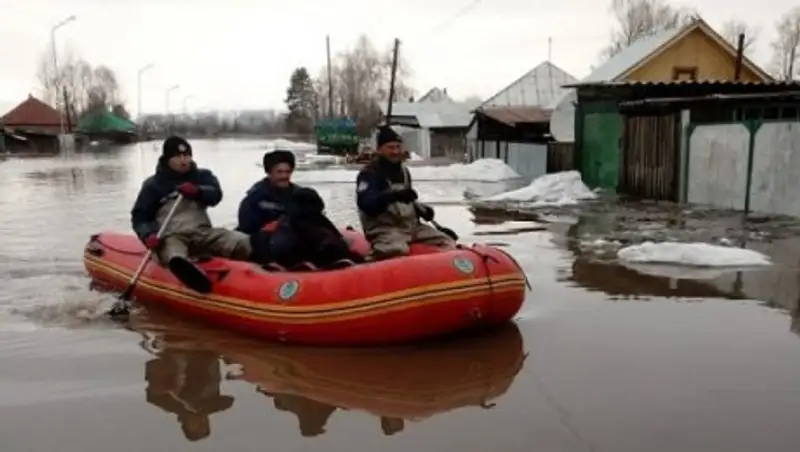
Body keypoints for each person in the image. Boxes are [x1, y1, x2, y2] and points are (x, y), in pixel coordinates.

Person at [131, 135, 252, 293]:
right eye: (178, 156)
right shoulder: (153, 185)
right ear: (167, 159)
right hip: (171, 236)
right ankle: (195, 280)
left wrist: (198, 191)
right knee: (175, 257)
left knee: (242, 240)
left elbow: (216, 195)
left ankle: (262, 268)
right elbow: (140, 218)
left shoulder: (202, 176)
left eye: (187, 155)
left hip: (202, 232)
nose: (184, 160)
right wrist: (148, 235)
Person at [237, 149, 361, 270]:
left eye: (287, 172)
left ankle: (337, 253)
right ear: (269, 173)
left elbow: (317, 216)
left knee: (309, 220)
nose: (284, 176)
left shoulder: (299, 194)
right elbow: (247, 229)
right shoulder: (255, 198)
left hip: (299, 236)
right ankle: (278, 264)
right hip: (270, 241)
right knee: (291, 224)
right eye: (279, 172)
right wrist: (273, 226)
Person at [355, 126, 455, 259]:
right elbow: (366, 204)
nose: (395, 151)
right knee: (397, 249)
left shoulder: (404, 172)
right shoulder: (369, 174)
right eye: (390, 147)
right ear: (379, 150)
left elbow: (407, 201)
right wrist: (393, 196)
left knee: (447, 242)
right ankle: (370, 263)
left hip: (411, 228)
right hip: (385, 230)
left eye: (398, 147)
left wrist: (423, 210)